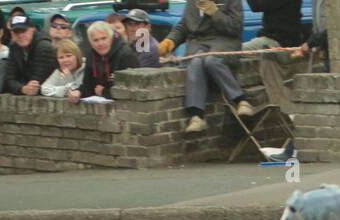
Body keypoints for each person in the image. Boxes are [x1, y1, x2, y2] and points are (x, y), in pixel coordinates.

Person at [157, 0, 252, 133]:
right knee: (195, 63)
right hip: (199, 43)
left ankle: (241, 100)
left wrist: (215, 13)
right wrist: (171, 40)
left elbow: (235, 27)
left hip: (225, 41)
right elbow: (185, 25)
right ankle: (197, 116)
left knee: (212, 60)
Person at [243, 0, 303, 111]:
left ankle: (240, 99)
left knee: (236, 51)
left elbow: (257, 6)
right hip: (284, 40)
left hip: (277, 41)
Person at [71, 20, 137, 102]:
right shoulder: (91, 55)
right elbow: (88, 85)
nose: (100, 43)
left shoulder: (126, 55)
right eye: (96, 40)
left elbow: (131, 90)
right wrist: (79, 92)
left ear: (111, 38)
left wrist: (104, 92)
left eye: (104, 38)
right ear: (91, 43)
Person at [3, 14, 55, 96]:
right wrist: (22, 88)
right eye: (16, 32)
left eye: (23, 31)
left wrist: (24, 87)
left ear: (33, 29)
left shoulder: (44, 47)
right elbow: (8, 79)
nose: (20, 35)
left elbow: (37, 81)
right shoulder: (14, 47)